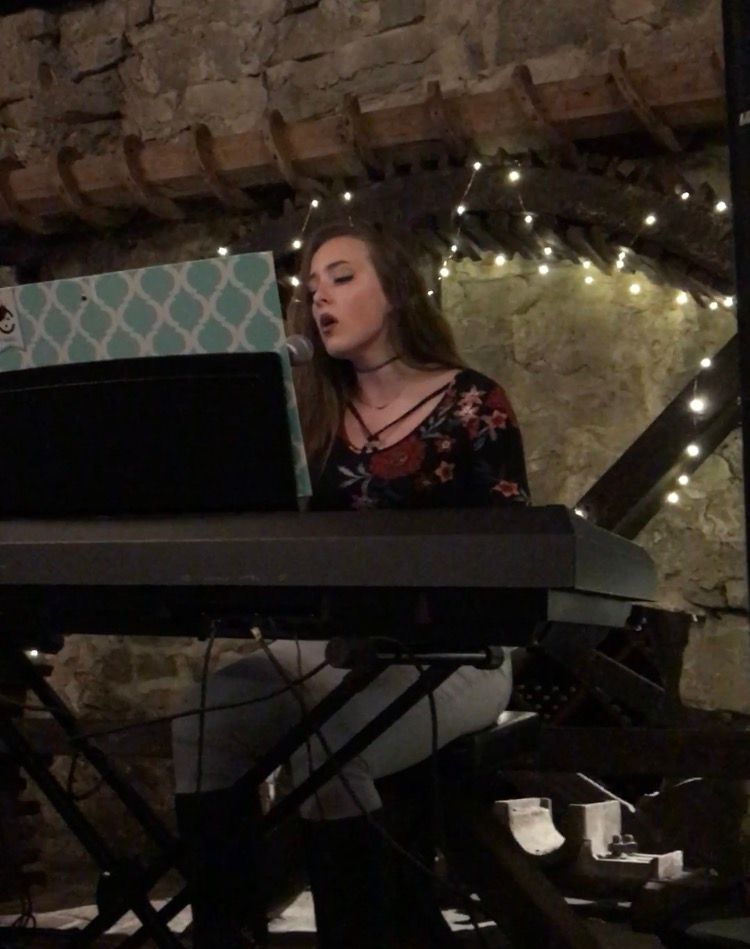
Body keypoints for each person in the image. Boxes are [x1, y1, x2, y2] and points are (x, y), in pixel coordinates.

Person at [171, 220, 531, 948]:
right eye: (311, 289)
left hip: (456, 654)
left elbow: (512, 551)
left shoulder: (473, 401)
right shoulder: (312, 413)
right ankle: (226, 934)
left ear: (394, 290)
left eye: (341, 277)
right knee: (205, 712)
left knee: (334, 745)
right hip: (337, 648)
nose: (320, 299)